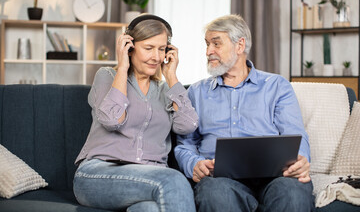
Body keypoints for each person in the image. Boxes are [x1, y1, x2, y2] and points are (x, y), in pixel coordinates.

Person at [174, 14, 315, 211]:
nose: (208, 51)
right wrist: (194, 164)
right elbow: (185, 145)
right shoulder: (196, 92)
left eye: (216, 44)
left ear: (240, 46)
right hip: (220, 179)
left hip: (276, 177)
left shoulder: (277, 86)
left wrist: (300, 159)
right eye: (206, 44)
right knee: (215, 193)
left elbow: (296, 135)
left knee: (293, 192)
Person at [73, 14, 198, 212]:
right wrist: (123, 66)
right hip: (99, 174)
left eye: (162, 49)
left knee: (149, 209)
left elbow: (187, 125)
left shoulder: (167, 91)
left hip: (150, 176)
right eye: (148, 48)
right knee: (174, 179)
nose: (156, 57)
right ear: (129, 47)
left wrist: (172, 77)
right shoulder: (108, 76)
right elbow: (112, 120)